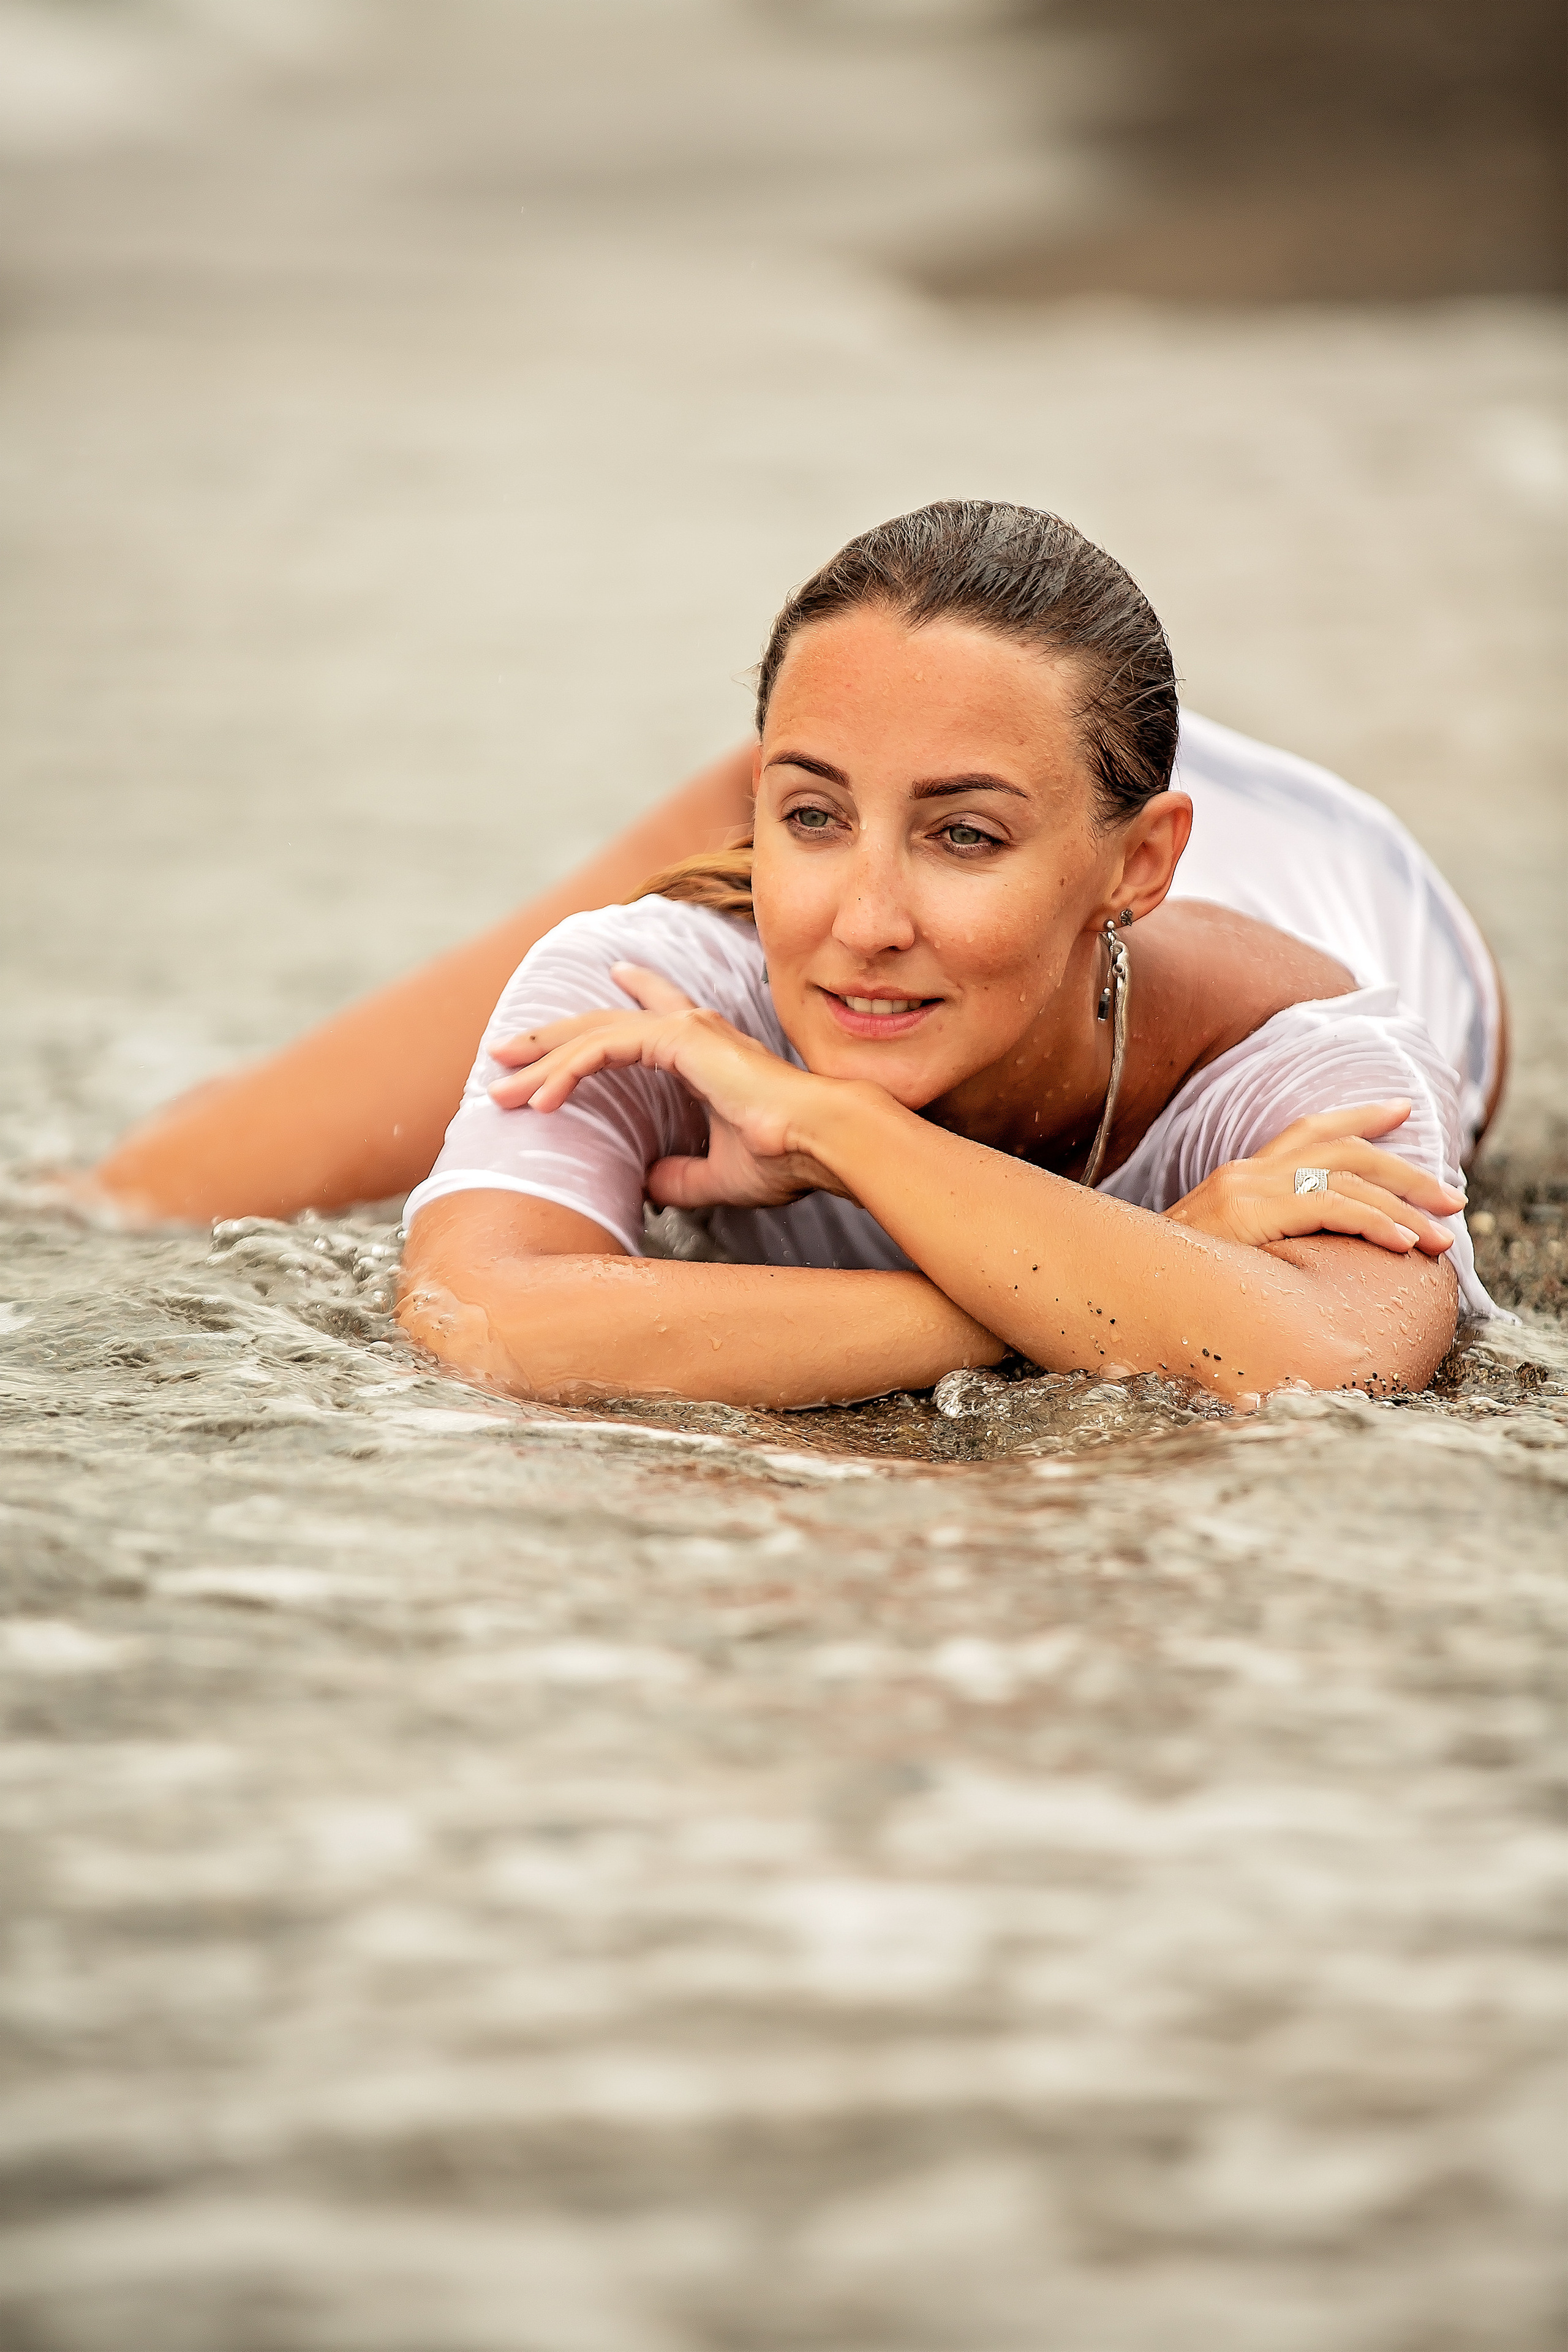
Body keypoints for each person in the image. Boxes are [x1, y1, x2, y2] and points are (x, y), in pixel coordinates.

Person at [382, 502, 1502, 1412]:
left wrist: (837, 1124)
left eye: (963, 837)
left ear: (1141, 864)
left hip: (1331, 862)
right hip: (1017, 743)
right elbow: (472, 1317)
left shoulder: (1320, 1070)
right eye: (810, 817)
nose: (866, 924)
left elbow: (1336, 1360)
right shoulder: (648, 995)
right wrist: (1143, 1260)